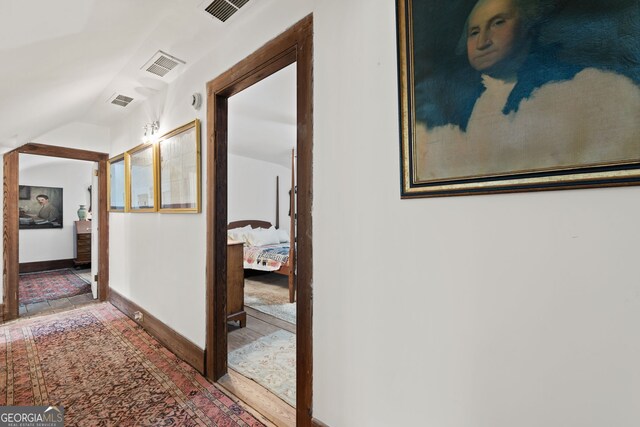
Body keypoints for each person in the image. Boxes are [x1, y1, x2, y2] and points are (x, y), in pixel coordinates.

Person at [414, 0, 640, 181]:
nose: (482, 42)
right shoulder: (474, 104)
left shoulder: (577, 87)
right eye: (474, 32)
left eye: (498, 23)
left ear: (528, 28)